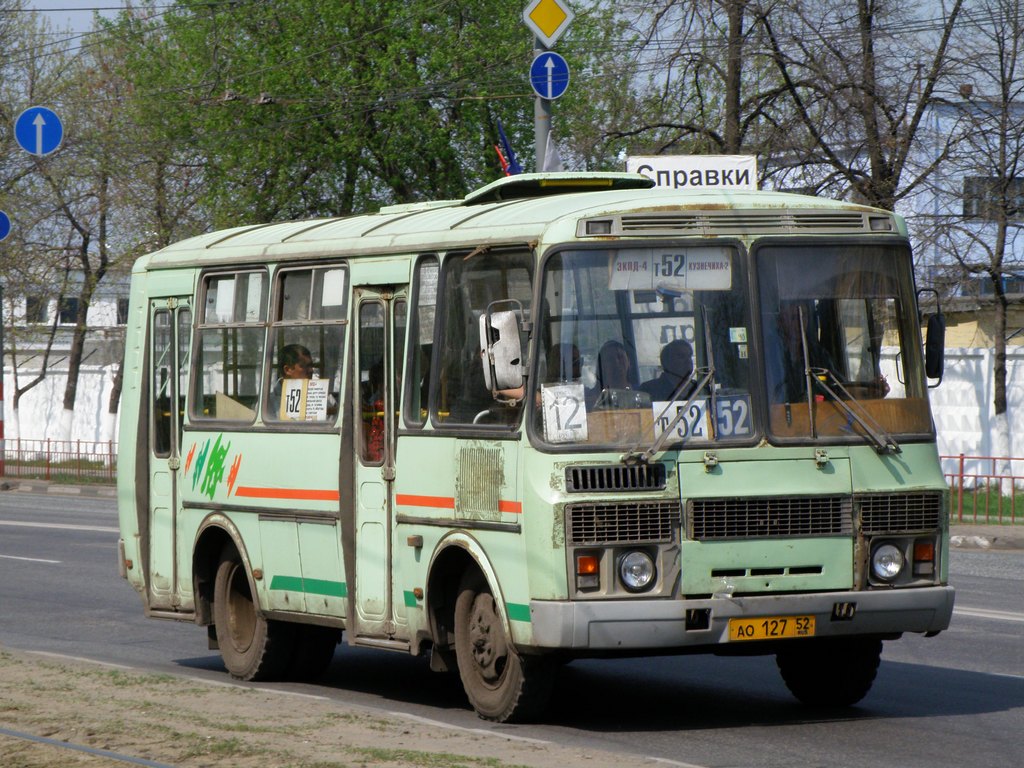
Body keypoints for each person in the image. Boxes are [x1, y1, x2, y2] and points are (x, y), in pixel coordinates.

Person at [267, 343, 313, 417]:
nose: (311, 370)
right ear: (288, 370)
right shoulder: (267, 404)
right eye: (304, 366)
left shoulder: (322, 397)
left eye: (311, 365)